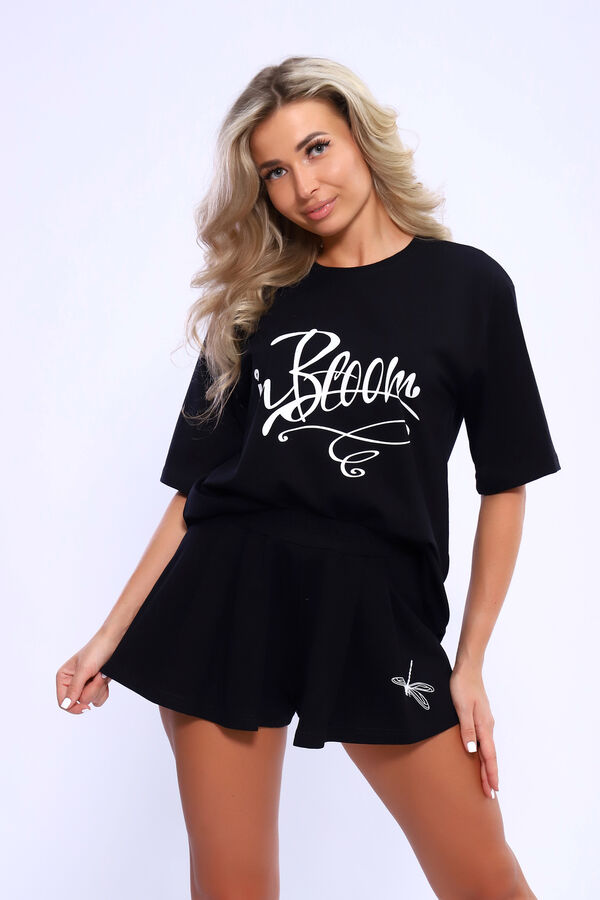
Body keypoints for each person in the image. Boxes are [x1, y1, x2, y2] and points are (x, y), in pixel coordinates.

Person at [56, 56, 560, 900]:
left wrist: (469, 663)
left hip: (379, 608)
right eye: (275, 171)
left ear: (361, 136)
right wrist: (109, 636)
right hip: (227, 594)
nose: (303, 185)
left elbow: (505, 483)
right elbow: (193, 494)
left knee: (487, 880)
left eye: (316, 148)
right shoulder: (258, 298)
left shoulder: (468, 286)